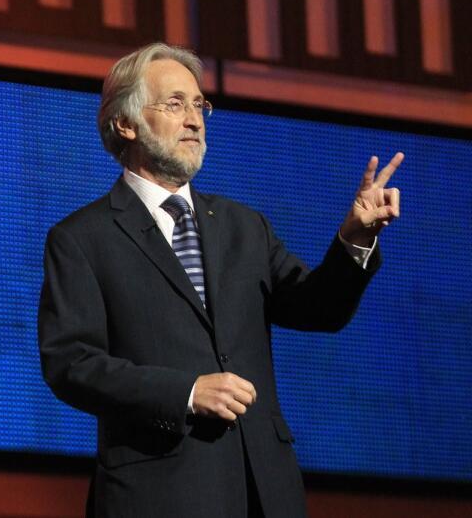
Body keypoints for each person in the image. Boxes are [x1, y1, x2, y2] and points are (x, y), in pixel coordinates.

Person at [38, 43, 402, 517]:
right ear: (125, 123)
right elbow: (72, 364)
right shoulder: (82, 238)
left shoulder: (243, 226)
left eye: (198, 105)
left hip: (265, 492)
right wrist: (187, 392)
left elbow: (319, 309)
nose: (194, 119)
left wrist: (354, 240)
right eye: (174, 104)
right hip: (159, 494)